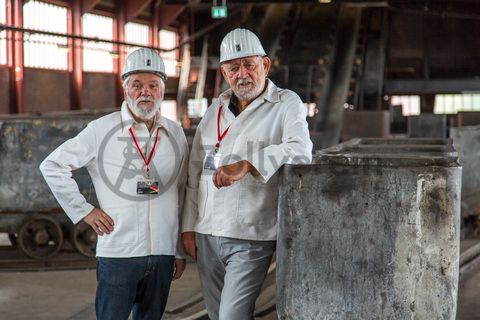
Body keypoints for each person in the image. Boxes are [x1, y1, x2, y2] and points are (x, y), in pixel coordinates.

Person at [40, 48, 188, 320]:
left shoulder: (175, 132)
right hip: (119, 253)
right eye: (137, 84)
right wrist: (84, 210)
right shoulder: (101, 130)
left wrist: (176, 250)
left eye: (153, 85)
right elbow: (52, 165)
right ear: (125, 90)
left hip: (163, 254)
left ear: (162, 91)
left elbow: (178, 193)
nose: (145, 91)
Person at [181, 28, 313, 320]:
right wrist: (189, 226)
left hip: (251, 234)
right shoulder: (214, 110)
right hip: (207, 232)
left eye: (249, 65)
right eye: (233, 68)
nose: (242, 74)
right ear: (224, 72)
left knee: (231, 317)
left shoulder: (286, 103)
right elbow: (195, 171)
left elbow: (301, 149)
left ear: (264, 65)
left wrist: (248, 164)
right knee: (218, 316)